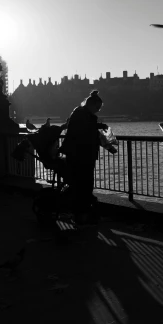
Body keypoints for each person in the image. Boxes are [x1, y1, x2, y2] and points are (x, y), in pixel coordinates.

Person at [61, 90, 108, 224]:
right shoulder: (85, 115)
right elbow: (86, 131)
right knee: (84, 183)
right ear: (92, 105)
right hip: (82, 154)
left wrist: (99, 126)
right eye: (98, 108)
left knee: (80, 183)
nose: (98, 110)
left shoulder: (79, 112)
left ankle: (81, 212)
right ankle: (81, 213)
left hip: (78, 153)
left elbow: (82, 127)